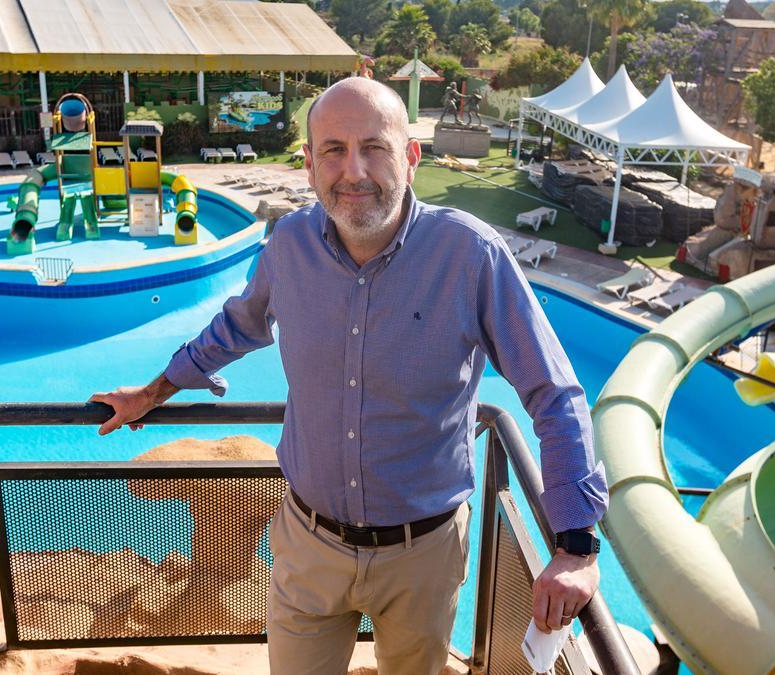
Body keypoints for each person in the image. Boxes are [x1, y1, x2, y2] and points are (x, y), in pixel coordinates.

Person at [90, 77, 608, 675]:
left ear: (411, 157)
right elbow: (237, 327)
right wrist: (152, 393)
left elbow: (553, 391)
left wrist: (575, 544)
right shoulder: (288, 245)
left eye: (375, 147)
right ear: (309, 165)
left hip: (423, 556)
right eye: (333, 150)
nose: (353, 170)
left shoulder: (469, 255)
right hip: (309, 544)